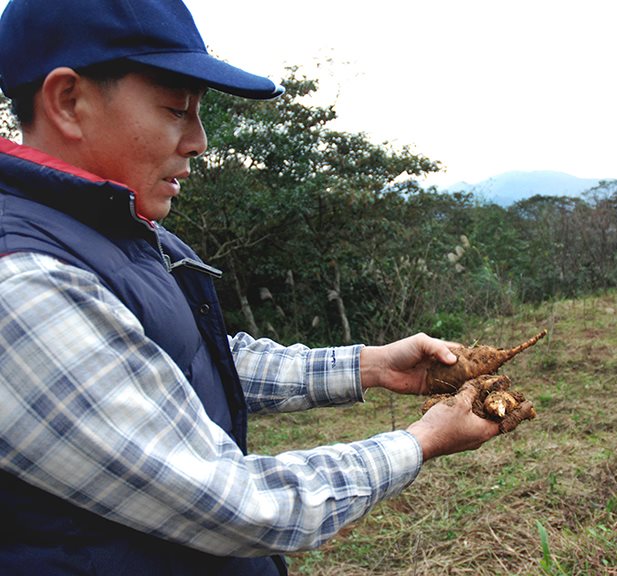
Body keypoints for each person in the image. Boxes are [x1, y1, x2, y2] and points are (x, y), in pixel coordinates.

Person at [0, 0, 500, 574]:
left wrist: (372, 365)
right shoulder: (23, 278)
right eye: (174, 110)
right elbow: (239, 506)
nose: (199, 141)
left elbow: (187, 359)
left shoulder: (116, 228)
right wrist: (422, 441)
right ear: (68, 101)